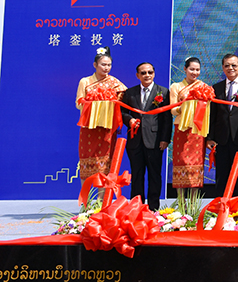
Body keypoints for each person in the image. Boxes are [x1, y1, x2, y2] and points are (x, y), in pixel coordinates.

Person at [120, 62, 171, 210]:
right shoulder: (130, 93)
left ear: (154, 74)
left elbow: (166, 118)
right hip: (135, 140)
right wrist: (129, 120)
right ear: (137, 75)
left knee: (155, 175)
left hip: (155, 141)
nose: (147, 75)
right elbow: (122, 112)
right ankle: (136, 208)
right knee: (137, 175)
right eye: (143, 73)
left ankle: (153, 208)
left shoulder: (163, 92)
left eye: (149, 72)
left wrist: (165, 139)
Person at [76, 47, 127, 186]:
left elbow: (124, 98)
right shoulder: (85, 81)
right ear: (95, 65)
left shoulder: (115, 82)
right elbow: (78, 103)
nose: (106, 68)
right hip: (89, 127)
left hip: (107, 128)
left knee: (105, 162)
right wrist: (93, 104)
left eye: (109, 65)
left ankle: (101, 197)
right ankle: (85, 197)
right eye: (103, 64)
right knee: (86, 160)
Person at [209, 53, 238, 205]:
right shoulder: (216, 88)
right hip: (221, 139)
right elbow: (212, 115)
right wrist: (210, 137)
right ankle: (220, 206)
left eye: (233, 65)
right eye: (227, 65)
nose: (230, 68)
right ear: (222, 67)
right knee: (222, 174)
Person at [169, 57, 209, 205]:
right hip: (182, 129)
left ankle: (193, 204)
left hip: (197, 130)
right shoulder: (176, 86)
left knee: (196, 165)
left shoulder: (204, 87)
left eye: (197, 70)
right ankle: (181, 203)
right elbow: (173, 110)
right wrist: (185, 107)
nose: (194, 72)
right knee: (181, 163)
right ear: (185, 69)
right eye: (191, 69)